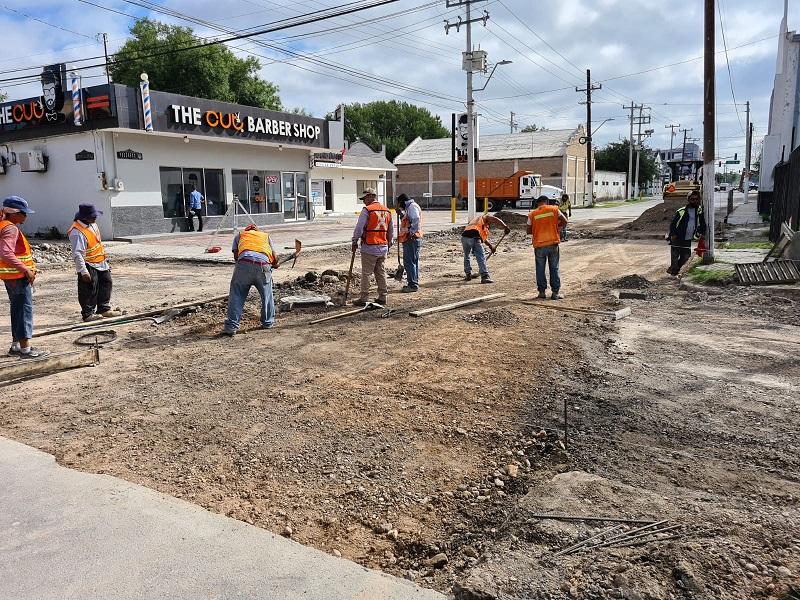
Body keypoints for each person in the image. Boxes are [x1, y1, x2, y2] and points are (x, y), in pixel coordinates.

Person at [0, 196, 46, 358]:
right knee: (24, 311)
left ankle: (16, 346)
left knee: (17, 310)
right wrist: (26, 269)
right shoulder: (10, 228)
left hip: (10, 277)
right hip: (18, 277)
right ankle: (25, 349)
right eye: (24, 213)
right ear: (14, 213)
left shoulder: (3, 225)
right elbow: (5, 253)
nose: (26, 216)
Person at [222, 224, 279, 335]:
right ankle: (267, 323)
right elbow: (275, 257)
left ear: (246, 230)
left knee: (237, 294)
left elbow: (236, 257)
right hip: (263, 265)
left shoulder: (240, 235)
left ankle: (231, 327)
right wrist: (274, 264)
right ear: (257, 231)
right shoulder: (265, 236)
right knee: (267, 295)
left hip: (244, 264)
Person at [68, 204, 121, 322]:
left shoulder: (93, 225)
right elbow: (77, 254)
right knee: (89, 289)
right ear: (85, 217)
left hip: (100, 262)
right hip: (88, 263)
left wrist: (105, 261)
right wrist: (83, 271)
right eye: (93, 216)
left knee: (106, 283)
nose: (95, 218)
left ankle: (103, 308)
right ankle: (88, 314)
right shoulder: (77, 232)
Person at [351, 187, 393, 306]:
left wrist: (355, 241)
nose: (364, 201)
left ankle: (364, 297)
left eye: (364, 198)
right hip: (383, 247)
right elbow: (391, 231)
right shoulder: (387, 211)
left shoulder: (367, 210)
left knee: (366, 273)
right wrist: (388, 244)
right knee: (380, 272)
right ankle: (383, 297)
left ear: (370, 197)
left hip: (370, 246)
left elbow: (359, 227)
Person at [527, 196, 568, 299]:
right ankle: (555, 293)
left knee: (540, 269)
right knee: (554, 268)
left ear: (538, 203)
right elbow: (565, 221)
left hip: (539, 245)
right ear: (547, 202)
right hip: (553, 243)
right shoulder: (554, 209)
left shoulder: (532, 214)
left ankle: (541, 292)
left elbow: (528, 230)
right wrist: (557, 228)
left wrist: (537, 229)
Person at [461, 213, 510, 284]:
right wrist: (505, 226)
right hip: (474, 237)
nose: (491, 223)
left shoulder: (479, 224)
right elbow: (495, 219)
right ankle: (484, 276)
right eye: (490, 222)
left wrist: (491, 247)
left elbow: (484, 240)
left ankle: (468, 274)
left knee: (467, 256)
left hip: (465, 237)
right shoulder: (484, 217)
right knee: (481, 257)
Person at [667, 190, 706, 276]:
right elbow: (673, 224)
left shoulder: (699, 211)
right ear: (688, 200)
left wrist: (702, 233)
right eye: (692, 199)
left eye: (696, 199)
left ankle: (675, 269)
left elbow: (702, 223)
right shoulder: (681, 211)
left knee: (685, 257)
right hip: (677, 237)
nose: (695, 201)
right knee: (675, 256)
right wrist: (673, 234)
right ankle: (674, 273)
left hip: (687, 238)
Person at [397, 193, 423, 293]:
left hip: (411, 238)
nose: (400, 206)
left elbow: (415, 219)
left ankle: (412, 285)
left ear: (403, 202)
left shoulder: (412, 207)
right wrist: (401, 215)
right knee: (413, 261)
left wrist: (412, 232)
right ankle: (413, 282)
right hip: (411, 238)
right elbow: (408, 220)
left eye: (400, 204)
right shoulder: (410, 208)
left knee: (409, 262)